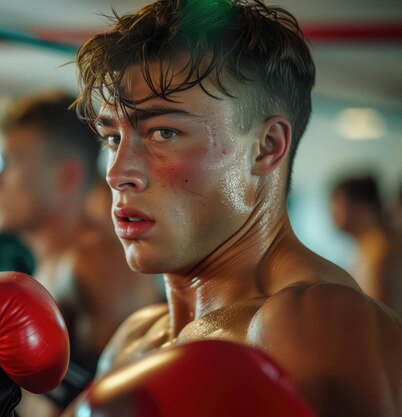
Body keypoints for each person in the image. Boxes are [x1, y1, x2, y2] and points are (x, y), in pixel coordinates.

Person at [60, 0, 402, 415]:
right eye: (113, 138)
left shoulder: (311, 322)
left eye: (163, 132)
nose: (117, 173)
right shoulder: (135, 338)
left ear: (266, 148)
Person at [0, 92, 162, 415]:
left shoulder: (97, 260)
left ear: (65, 176)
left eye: (9, 162)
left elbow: (128, 404)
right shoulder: (47, 264)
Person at [331, 176, 402, 316]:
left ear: (360, 207)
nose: (333, 213)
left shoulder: (379, 251)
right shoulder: (367, 248)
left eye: (338, 204)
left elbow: (378, 316)